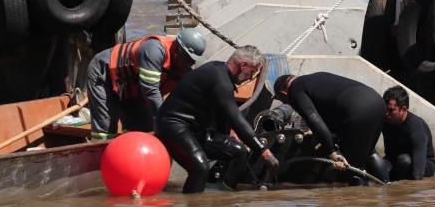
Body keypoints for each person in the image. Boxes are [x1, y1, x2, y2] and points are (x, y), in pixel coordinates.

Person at [155, 45, 279, 194]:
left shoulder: (222, 75)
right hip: (173, 125)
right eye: (251, 72)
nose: (251, 77)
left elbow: (223, 115)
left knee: (239, 152)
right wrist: (263, 150)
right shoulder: (219, 78)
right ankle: (194, 202)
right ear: (243, 65)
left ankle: (222, 195)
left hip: (197, 130)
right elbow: (236, 118)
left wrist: (228, 135)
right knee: (200, 167)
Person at [86, 28, 206, 141]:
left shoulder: (184, 69)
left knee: (144, 131)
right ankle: (98, 158)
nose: (188, 63)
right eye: (186, 58)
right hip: (104, 75)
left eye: (191, 60)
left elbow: (187, 100)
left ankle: (130, 158)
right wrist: (164, 121)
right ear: (176, 48)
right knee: (105, 131)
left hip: (131, 88)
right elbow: (150, 90)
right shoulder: (154, 50)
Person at [273, 72, 386, 184]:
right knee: (370, 154)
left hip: (357, 112)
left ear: (283, 93)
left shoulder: (294, 89)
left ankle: (360, 199)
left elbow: (313, 119)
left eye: (285, 102)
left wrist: (332, 151)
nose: (289, 104)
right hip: (378, 103)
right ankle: (387, 187)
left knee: (349, 169)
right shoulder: (315, 78)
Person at [381, 85, 435, 181]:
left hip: (423, 164)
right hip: (397, 160)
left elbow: (418, 174)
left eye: (391, 110)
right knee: (379, 167)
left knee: (404, 160)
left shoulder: (416, 128)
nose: (386, 113)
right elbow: (389, 156)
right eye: (385, 109)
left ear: (404, 110)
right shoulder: (387, 122)